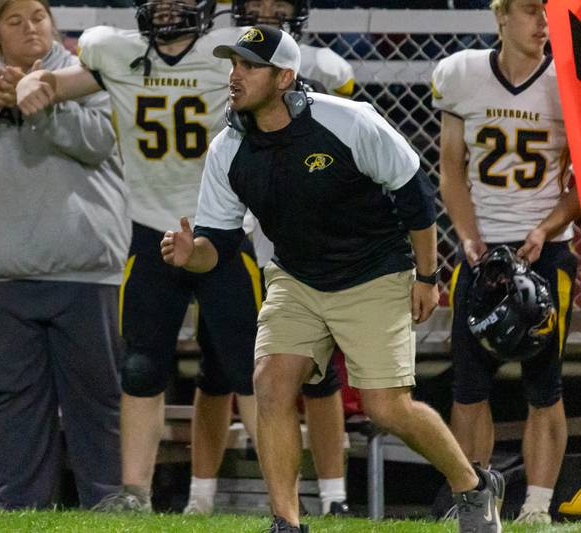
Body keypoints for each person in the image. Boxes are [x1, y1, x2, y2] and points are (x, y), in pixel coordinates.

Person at [161, 25, 505, 533]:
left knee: (387, 409)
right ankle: (287, 522)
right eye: (233, 64)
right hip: (296, 278)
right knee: (271, 385)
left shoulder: (347, 120)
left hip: (373, 274)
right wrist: (192, 255)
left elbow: (415, 196)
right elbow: (219, 247)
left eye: (249, 66)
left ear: (284, 77)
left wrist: (428, 277)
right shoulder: (227, 148)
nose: (235, 76)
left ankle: (473, 486)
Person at [16, 0, 261, 513]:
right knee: (141, 368)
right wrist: (30, 86)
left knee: (250, 369)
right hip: (151, 231)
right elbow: (58, 85)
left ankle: (282, 491)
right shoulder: (115, 51)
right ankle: (135, 496)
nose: (168, 9)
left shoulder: (229, 56)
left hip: (223, 232)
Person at [0, 0, 128, 509]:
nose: (30, 27)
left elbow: (102, 140)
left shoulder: (90, 75)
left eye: (38, 16)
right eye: (14, 21)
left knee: (96, 403)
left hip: (84, 273)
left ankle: (106, 509)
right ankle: (20, 512)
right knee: (11, 404)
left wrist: (43, 104)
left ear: (53, 24)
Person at [433, 0, 578, 524]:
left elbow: (580, 181)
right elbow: (451, 170)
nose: (542, 22)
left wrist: (544, 230)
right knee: (469, 387)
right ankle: (475, 500)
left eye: (547, 11)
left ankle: (537, 507)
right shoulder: (462, 73)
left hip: (545, 251)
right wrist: (469, 239)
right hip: (481, 252)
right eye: (529, 10)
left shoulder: (569, 78)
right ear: (500, 16)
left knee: (545, 385)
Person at [228, 0, 356, 516]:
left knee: (320, 380)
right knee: (259, 377)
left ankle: (333, 496)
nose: (266, 12)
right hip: (264, 241)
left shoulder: (324, 69)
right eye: (256, 4)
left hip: (321, 242)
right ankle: (284, 507)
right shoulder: (235, 77)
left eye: (277, 4)